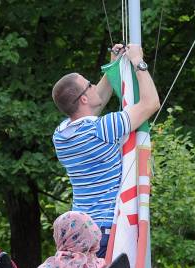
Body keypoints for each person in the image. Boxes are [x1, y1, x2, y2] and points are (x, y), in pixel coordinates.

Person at [52, 43, 160, 257]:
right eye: (89, 84)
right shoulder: (102, 129)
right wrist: (138, 62)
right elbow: (151, 103)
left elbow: (92, 106)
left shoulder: (60, 135)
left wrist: (114, 64)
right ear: (83, 98)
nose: (94, 86)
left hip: (79, 231)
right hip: (104, 232)